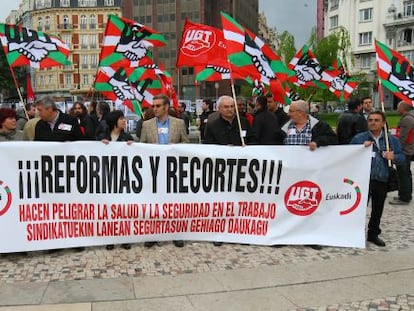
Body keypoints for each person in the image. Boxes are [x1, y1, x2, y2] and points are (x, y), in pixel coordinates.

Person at [281, 100, 337, 250]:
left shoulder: (319, 126)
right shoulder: (286, 126)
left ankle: (310, 236)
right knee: (287, 203)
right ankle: (286, 233)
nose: (289, 114)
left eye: (292, 111)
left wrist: (317, 142)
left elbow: (333, 139)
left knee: (309, 205)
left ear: (301, 113)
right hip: (289, 172)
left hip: (311, 173)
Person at [204, 95, 255, 246]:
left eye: (232, 106)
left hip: (241, 170)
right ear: (219, 109)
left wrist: (247, 146)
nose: (230, 109)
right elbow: (208, 146)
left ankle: (240, 231)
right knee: (221, 202)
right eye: (226, 107)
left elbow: (253, 140)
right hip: (221, 171)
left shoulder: (243, 122)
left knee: (240, 201)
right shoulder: (213, 125)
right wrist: (223, 151)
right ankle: (218, 233)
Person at [140, 94, 189, 248]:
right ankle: (153, 234)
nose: (154, 108)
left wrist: (177, 147)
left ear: (166, 107)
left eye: (158, 106)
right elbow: (142, 146)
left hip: (173, 170)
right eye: (153, 106)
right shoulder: (146, 125)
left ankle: (176, 233)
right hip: (154, 169)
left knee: (173, 203)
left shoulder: (179, 123)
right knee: (154, 203)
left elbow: (186, 142)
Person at [350, 111, 405, 247]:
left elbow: (402, 158)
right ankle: (353, 233)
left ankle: (373, 233)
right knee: (359, 208)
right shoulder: (359, 138)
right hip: (363, 179)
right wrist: (360, 148)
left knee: (377, 208)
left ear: (383, 123)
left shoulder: (391, 140)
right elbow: (348, 154)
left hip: (381, 178)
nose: (373, 122)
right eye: (370, 120)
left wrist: (394, 157)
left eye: (376, 120)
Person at [101, 110, 135, 250]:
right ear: (114, 121)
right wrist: (99, 144)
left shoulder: (126, 136)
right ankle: (110, 238)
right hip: (108, 178)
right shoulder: (102, 136)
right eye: (121, 119)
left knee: (123, 209)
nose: (124, 121)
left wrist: (133, 146)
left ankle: (124, 238)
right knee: (109, 210)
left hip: (123, 178)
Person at [389, 101, 414, 205]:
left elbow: (402, 137)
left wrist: (396, 149)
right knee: (405, 173)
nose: (397, 109)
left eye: (398, 108)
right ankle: (405, 194)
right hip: (408, 149)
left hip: (404, 150)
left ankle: (404, 197)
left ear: (403, 108)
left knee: (403, 174)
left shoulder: (407, 119)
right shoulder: (409, 117)